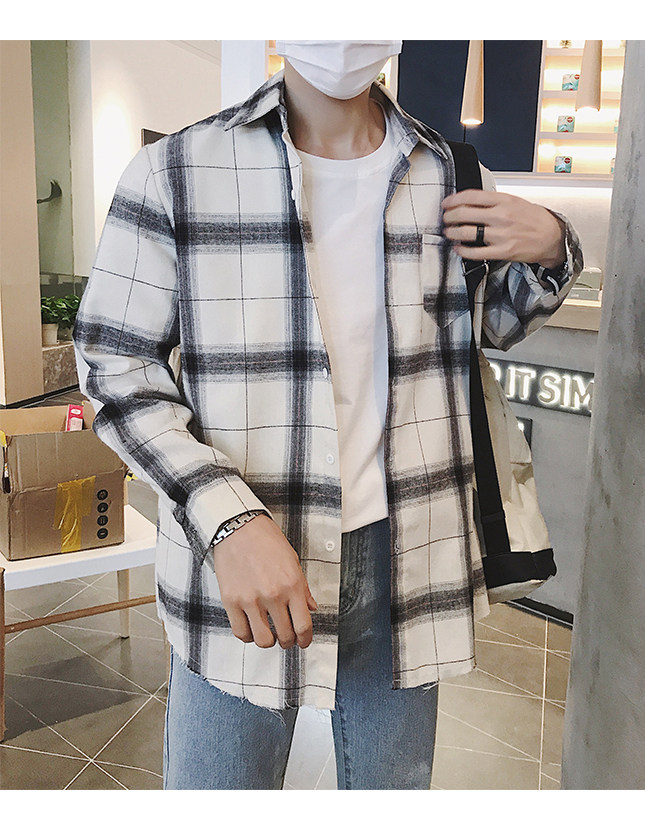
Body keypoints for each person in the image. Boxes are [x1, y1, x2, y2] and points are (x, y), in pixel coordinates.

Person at [73, 40, 583, 790]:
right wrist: (224, 516)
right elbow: (115, 366)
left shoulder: (447, 171)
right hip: (243, 553)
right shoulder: (176, 171)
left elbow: (487, 327)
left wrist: (551, 247)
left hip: (407, 554)